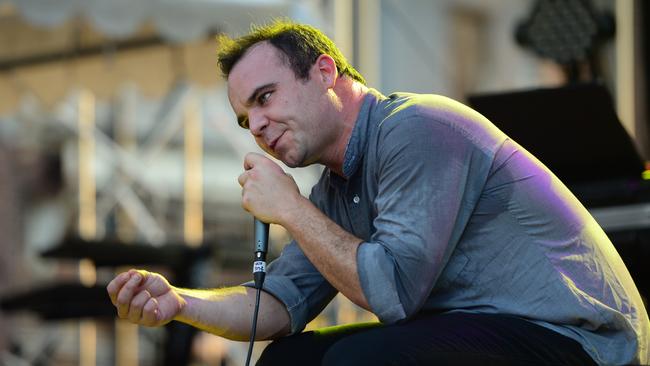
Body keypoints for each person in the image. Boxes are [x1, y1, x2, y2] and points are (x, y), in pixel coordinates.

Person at [107, 21, 649, 365]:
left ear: (324, 72)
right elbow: (276, 305)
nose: (259, 126)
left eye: (266, 97)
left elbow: (393, 293)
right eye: (246, 119)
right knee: (287, 361)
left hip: (579, 343)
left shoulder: (418, 127)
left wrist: (290, 209)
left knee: (361, 361)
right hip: (482, 335)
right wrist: (180, 302)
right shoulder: (337, 188)